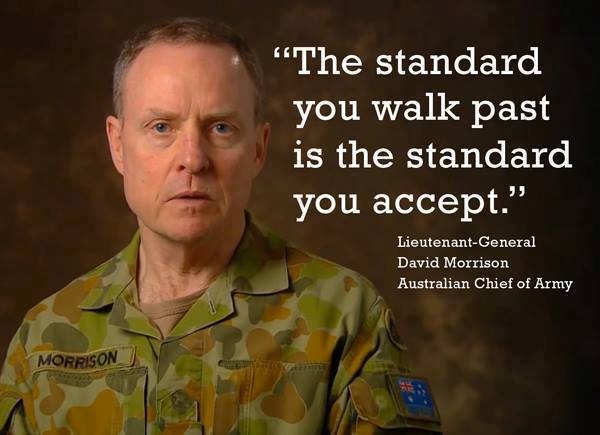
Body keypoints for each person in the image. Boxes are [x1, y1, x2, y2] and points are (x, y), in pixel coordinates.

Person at [0, 17, 442, 434]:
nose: (193, 159)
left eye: (222, 128)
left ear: (258, 149)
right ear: (118, 145)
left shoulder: (344, 316)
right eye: (161, 127)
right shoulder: (44, 339)